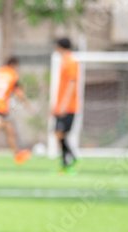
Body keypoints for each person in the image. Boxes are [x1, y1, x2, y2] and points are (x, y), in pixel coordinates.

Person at [53, 37, 80, 173]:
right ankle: (69, 160)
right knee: (59, 134)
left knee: (60, 133)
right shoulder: (64, 61)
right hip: (62, 106)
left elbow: (72, 83)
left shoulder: (70, 61)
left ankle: (68, 161)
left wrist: (64, 104)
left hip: (69, 106)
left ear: (60, 47)